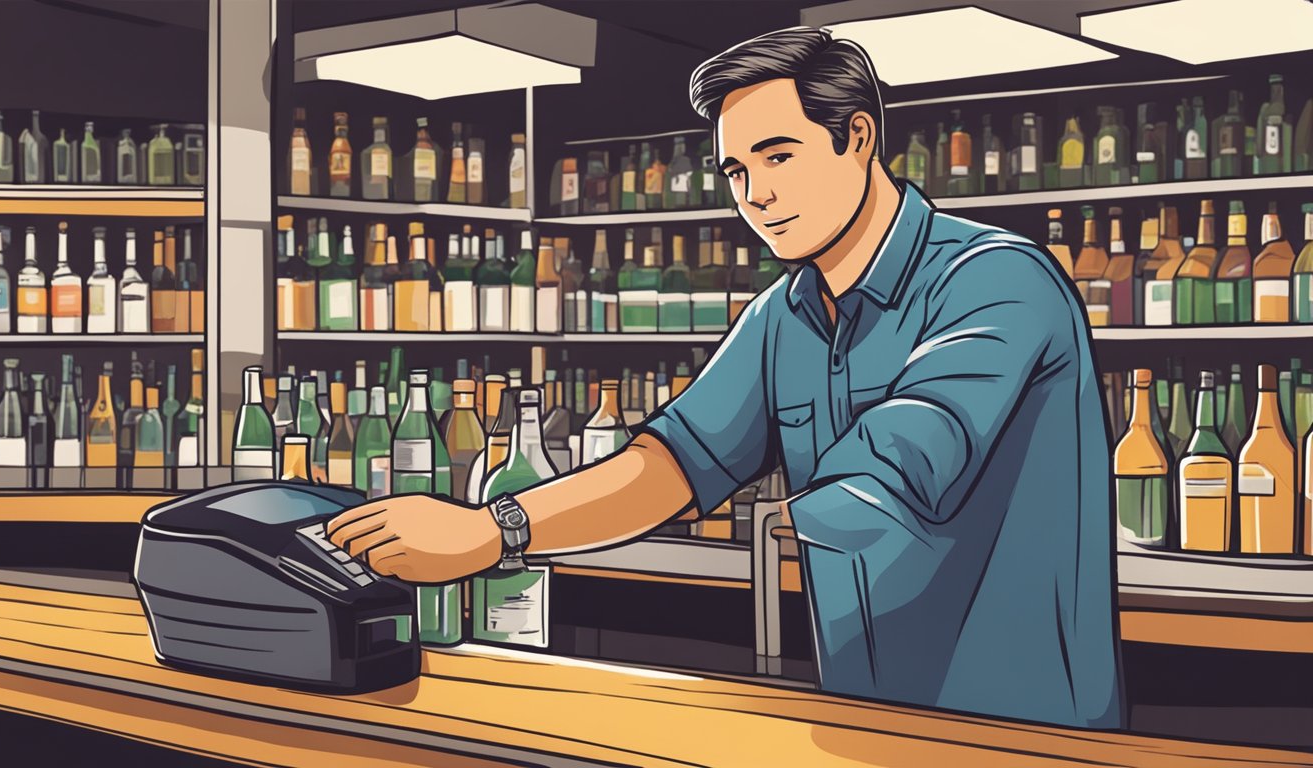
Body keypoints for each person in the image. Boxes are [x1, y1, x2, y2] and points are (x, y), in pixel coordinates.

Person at [327, 26, 1123, 730]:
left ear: (857, 136)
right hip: (859, 721)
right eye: (736, 171)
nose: (757, 196)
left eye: (779, 156)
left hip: (1026, 728)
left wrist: (778, 516)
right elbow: (668, 465)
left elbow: (908, 457)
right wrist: (494, 529)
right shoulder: (784, 315)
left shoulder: (997, 279)